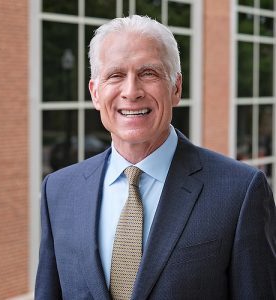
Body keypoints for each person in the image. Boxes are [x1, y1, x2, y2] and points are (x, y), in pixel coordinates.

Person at [35, 15, 276, 299]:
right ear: (95, 93)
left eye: (148, 73)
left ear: (176, 87)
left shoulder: (240, 192)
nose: (131, 91)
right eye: (115, 75)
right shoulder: (59, 191)